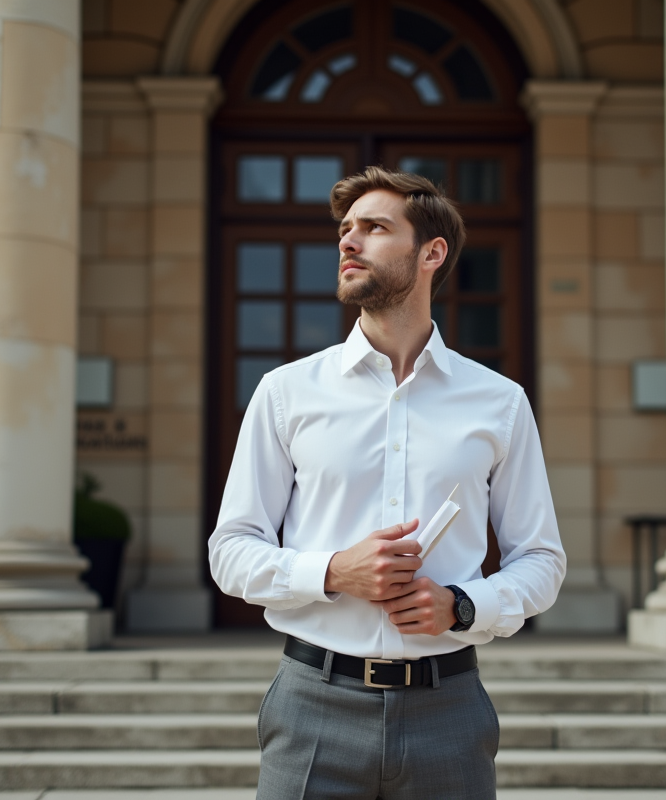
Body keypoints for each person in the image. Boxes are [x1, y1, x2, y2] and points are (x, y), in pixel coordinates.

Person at [209, 165, 566, 799]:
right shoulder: (286, 393)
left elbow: (540, 560)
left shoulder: (499, 402)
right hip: (311, 707)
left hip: (449, 710)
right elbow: (231, 551)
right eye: (345, 230)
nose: (348, 242)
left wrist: (460, 606)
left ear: (432, 253)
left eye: (374, 228)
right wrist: (332, 572)